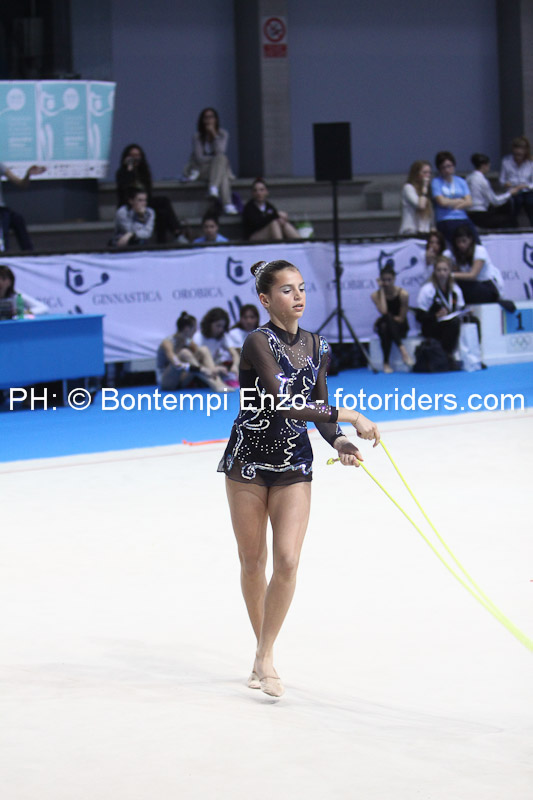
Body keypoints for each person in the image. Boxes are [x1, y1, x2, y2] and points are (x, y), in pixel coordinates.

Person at [218, 258, 380, 698]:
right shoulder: (258, 341)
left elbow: (320, 409)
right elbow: (286, 403)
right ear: (265, 299)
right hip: (249, 463)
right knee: (253, 561)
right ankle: (263, 652)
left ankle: (264, 654)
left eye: (302, 288)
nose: (298, 296)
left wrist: (341, 440)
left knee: (287, 560)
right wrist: (352, 414)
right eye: (287, 290)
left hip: (293, 463)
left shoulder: (318, 346)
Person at [116, 143, 188, 244]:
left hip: (144, 201)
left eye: (137, 155)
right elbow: (125, 191)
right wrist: (129, 170)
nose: (135, 158)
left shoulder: (144, 172)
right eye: (132, 155)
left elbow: (148, 192)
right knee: (161, 208)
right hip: (130, 204)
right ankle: (176, 233)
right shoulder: (122, 173)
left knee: (163, 210)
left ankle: (174, 235)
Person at [182, 108, 238, 215]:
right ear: (202, 120)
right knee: (222, 162)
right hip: (201, 170)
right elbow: (199, 158)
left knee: (221, 162)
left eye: (211, 117)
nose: (209, 120)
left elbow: (220, 150)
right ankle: (227, 204)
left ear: (216, 119)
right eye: (206, 117)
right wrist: (215, 160)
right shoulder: (197, 137)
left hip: (215, 172)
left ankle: (214, 188)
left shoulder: (223, 134)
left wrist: (214, 134)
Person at [447, 224, 515, 311]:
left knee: (463, 284)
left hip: (487, 286)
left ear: (470, 239)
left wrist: (451, 275)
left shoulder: (479, 251)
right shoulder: (455, 254)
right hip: (474, 287)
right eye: (458, 242)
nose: (461, 245)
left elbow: (473, 275)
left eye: (464, 241)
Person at [156, 311, 228, 392]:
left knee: (203, 350)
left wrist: (214, 368)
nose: (195, 331)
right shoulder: (167, 342)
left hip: (181, 380)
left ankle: (218, 383)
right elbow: (176, 364)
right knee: (184, 353)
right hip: (167, 382)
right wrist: (201, 369)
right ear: (187, 329)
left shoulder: (188, 341)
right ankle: (213, 384)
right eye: (194, 328)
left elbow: (200, 359)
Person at [415, 256, 465, 355]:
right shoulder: (427, 290)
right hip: (432, 326)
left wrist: (466, 313)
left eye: (445, 270)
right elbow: (419, 316)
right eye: (439, 270)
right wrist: (435, 316)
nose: (442, 273)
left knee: (473, 320)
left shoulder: (455, 289)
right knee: (453, 323)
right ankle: (447, 355)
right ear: (434, 271)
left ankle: (474, 354)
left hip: (450, 322)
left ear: (450, 271)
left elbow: (460, 308)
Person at [370, 264, 412, 373]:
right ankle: (402, 350)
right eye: (384, 280)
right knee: (385, 324)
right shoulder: (375, 295)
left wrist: (391, 319)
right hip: (386, 325)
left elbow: (401, 318)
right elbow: (384, 311)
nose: (386, 283)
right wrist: (382, 291)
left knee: (386, 324)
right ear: (380, 281)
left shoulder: (403, 294)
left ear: (394, 279)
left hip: (400, 326)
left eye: (389, 280)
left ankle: (386, 363)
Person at [431, 151, 478, 244]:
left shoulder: (461, 181)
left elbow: (469, 202)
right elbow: (441, 202)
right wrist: (459, 200)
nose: (447, 170)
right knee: (458, 241)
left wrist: (451, 203)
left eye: (449, 166)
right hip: (446, 218)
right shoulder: (436, 182)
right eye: (443, 167)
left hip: (462, 217)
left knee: (475, 242)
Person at [467, 153, 521, 229]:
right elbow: (495, 201)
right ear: (484, 165)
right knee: (510, 220)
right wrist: (509, 193)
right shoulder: (482, 180)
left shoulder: (468, 178)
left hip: (469, 213)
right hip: (480, 214)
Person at [0, 163, 46, 251]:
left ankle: (29, 253)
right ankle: (4, 253)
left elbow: (21, 184)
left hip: (2, 209)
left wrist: (28, 174)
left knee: (18, 220)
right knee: (3, 225)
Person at [193, 307, 240, 388]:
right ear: (209, 324)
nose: (220, 329)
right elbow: (195, 363)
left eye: (222, 327)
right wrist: (215, 368)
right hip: (198, 373)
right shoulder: (198, 337)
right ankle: (218, 384)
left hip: (212, 370)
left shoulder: (222, 337)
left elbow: (235, 354)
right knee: (204, 351)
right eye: (218, 326)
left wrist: (235, 366)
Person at [499, 135, 533, 226]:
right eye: (516, 154)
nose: (518, 157)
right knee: (516, 202)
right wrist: (506, 184)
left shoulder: (530, 162)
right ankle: (513, 225)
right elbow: (502, 180)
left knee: (530, 202)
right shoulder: (506, 161)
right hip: (513, 190)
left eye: (520, 155)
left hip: (527, 190)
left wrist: (526, 186)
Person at [399, 160, 433, 234]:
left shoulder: (427, 190)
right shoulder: (408, 188)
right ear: (416, 174)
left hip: (424, 232)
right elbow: (421, 205)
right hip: (410, 231)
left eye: (429, 173)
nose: (428, 175)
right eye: (425, 172)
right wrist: (424, 187)